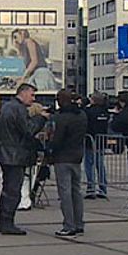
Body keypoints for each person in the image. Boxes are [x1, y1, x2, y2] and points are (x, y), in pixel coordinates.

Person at [0, 83, 47, 235]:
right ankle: (7, 222)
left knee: (8, 188)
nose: (33, 99)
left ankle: (4, 221)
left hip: (6, 152)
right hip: (14, 154)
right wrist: (41, 118)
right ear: (23, 93)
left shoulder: (7, 107)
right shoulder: (18, 109)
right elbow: (29, 130)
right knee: (13, 189)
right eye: (32, 95)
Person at [49, 89, 88, 237]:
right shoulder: (82, 115)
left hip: (62, 157)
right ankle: (79, 223)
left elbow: (57, 139)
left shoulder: (61, 118)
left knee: (65, 193)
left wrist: (50, 150)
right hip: (77, 155)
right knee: (76, 191)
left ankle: (68, 225)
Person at [83, 92, 110, 199]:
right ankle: (103, 188)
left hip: (90, 141)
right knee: (100, 165)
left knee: (89, 166)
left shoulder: (89, 111)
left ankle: (91, 188)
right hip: (101, 142)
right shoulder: (105, 112)